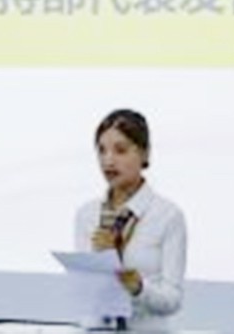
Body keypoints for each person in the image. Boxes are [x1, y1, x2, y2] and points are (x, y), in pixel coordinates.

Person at [78, 109, 189, 330]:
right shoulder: (87, 215)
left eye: (120, 150)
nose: (108, 160)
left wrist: (139, 288)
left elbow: (173, 300)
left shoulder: (168, 216)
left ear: (144, 154)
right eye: (102, 150)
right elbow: (84, 292)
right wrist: (98, 264)